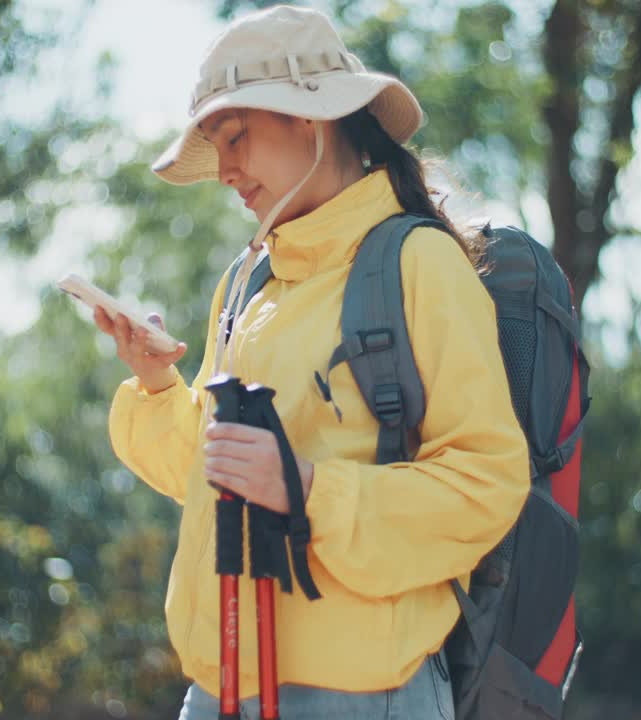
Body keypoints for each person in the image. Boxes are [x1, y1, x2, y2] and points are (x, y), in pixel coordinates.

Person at [94, 5, 529, 719]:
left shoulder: (419, 264)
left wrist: (306, 490)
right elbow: (205, 478)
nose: (225, 171)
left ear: (312, 118)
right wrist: (155, 383)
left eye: (236, 137)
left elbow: (486, 486)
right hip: (223, 687)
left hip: (363, 696)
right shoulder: (248, 283)